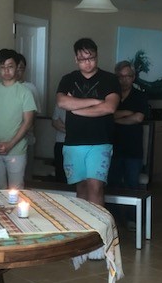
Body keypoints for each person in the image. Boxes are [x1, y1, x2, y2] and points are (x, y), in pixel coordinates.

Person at [56, 38, 120, 206]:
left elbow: (109, 107)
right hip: (73, 143)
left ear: (97, 57)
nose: (88, 63)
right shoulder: (68, 79)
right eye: (83, 59)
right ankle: (86, 227)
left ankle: (99, 229)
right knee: (82, 187)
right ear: (76, 59)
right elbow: (62, 102)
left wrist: (76, 109)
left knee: (96, 186)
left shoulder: (110, 79)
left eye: (91, 58)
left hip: (100, 142)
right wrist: (96, 101)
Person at [0, 48, 37, 188]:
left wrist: (10, 144)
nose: (6, 71)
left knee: (16, 190)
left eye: (10, 67)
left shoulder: (25, 92)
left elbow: (27, 122)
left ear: (17, 67)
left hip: (16, 150)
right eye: (2, 67)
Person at [109, 61, 150, 189]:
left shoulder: (140, 96)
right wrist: (127, 113)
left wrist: (115, 117)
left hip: (133, 150)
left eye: (127, 76)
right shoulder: (110, 96)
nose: (124, 80)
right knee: (111, 186)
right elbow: (107, 114)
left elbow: (138, 118)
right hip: (112, 148)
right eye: (120, 76)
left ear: (133, 77)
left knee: (131, 187)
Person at [14, 52, 42, 180]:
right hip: (5, 140)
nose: (18, 72)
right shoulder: (1, 89)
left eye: (21, 68)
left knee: (25, 178)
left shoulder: (30, 88)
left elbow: (33, 117)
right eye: (16, 68)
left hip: (26, 139)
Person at [50, 105, 67, 183]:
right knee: (60, 174)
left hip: (80, 144)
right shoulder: (61, 104)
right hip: (61, 142)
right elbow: (55, 123)